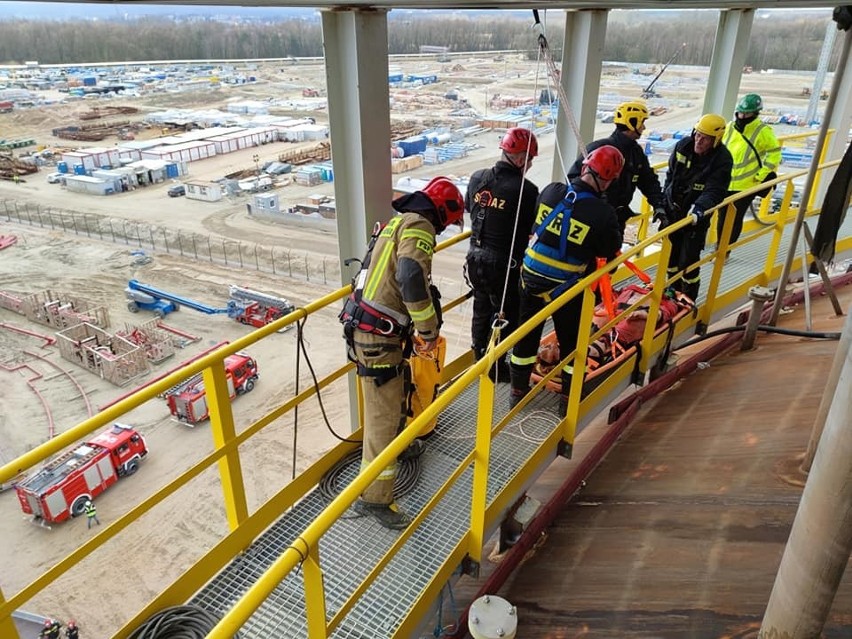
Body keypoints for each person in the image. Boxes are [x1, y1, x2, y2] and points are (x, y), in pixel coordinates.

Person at [339, 177, 464, 529]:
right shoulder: (421, 226)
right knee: (382, 414)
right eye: (449, 223)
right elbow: (410, 276)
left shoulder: (397, 222)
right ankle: (375, 499)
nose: (445, 229)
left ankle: (401, 444)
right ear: (442, 213)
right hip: (377, 338)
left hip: (370, 330)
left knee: (398, 395)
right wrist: (428, 328)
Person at [509, 145, 624, 410]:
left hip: (528, 279)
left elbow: (537, 228)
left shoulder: (551, 191)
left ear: (584, 167)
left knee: (525, 335)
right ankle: (568, 400)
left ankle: (517, 391)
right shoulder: (602, 214)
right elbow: (608, 253)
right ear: (607, 180)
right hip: (567, 289)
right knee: (572, 344)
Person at [465, 127, 540, 380]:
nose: (528, 165)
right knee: (510, 313)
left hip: (474, 260)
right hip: (503, 266)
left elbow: (471, 207)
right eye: (529, 160)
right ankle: (496, 366)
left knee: (481, 307)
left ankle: (479, 359)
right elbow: (532, 227)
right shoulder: (526, 191)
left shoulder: (477, 178)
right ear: (520, 159)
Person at [658, 114, 733, 302]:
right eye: (697, 135)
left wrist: (700, 207)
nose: (698, 141)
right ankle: (671, 293)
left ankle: (688, 297)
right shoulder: (683, 146)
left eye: (705, 138)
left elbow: (715, 190)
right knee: (671, 257)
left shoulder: (722, 159)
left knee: (688, 261)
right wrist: (662, 202)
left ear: (716, 140)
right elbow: (671, 176)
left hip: (696, 216)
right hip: (673, 210)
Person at [567, 100, 666, 235]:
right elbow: (573, 179)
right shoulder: (599, 150)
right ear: (632, 122)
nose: (643, 127)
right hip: (591, 220)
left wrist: (659, 205)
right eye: (642, 122)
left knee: (611, 253)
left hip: (616, 221)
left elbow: (648, 181)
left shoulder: (635, 153)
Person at [718, 93, 782, 250]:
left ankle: (726, 250)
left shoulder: (762, 131)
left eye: (747, 113)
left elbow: (774, 154)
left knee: (735, 217)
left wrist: (762, 175)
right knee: (722, 216)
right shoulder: (730, 127)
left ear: (755, 113)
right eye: (740, 112)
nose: (742, 116)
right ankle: (719, 247)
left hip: (746, 185)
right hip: (724, 182)